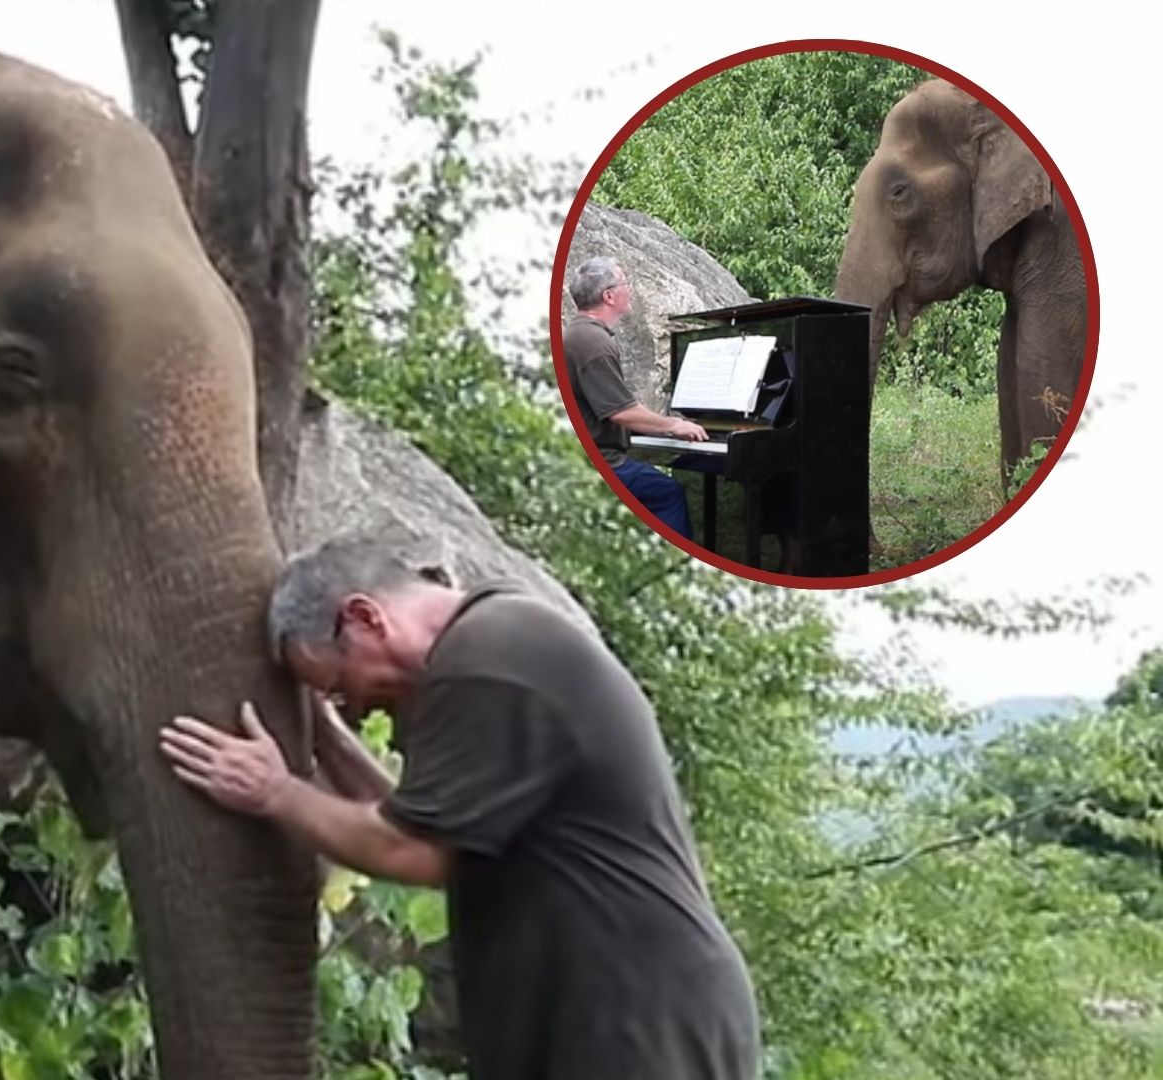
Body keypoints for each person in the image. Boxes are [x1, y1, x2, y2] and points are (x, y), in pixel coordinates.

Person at [158, 537, 760, 1080]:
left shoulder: (490, 660)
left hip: (636, 1018)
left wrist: (274, 792)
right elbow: (417, 819)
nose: (355, 709)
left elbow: (413, 849)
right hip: (609, 1013)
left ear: (365, 618)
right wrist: (326, 740)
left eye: (341, 687)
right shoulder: (494, 641)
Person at [563, 255, 709, 540]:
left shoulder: (582, 333)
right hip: (603, 462)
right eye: (625, 283)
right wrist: (674, 426)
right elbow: (621, 413)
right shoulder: (593, 341)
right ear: (609, 295)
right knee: (668, 493)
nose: (629, 289)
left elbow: (620, 406)